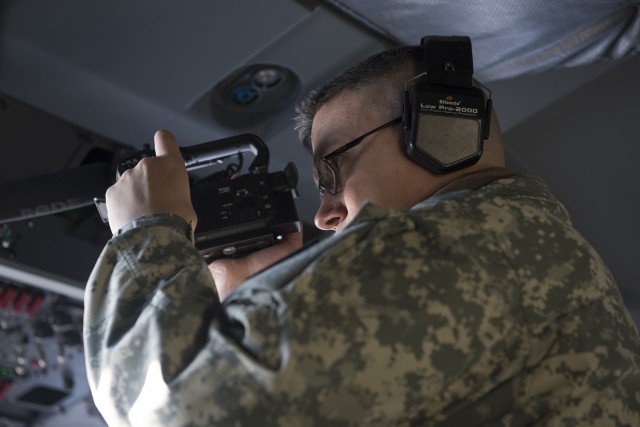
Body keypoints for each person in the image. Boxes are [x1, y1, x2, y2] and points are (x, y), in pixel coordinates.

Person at [83, 42, 640, 426]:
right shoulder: (523, 250)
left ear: (439, 130)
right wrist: (237, 303)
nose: (324, 214)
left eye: (333, 170)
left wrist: (144, 231)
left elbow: (175, 408)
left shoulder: (459, 247)